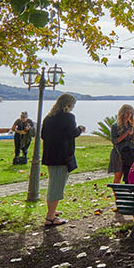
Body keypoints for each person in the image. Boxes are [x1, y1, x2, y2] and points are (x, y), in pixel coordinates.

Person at [41, 94, 85, 227]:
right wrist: (80, 130)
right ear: (68, 104)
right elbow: (72, 133)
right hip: (63, 156)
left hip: (50, 155)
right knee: (57, 187)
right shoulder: (68, 117)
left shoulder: (48, 117)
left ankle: (52, 211)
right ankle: (50, 217)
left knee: (53, 184)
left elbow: (43, 135)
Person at [108, 104, 134, 184]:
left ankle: (127, 195)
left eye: (131, 113)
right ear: (122, 113)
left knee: (129, 177)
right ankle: (117, 196)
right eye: (127, 113)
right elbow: (115, 141)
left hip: (129, 154)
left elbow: (131, 139)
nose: (129, 115)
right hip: (119, 154)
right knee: (118, 177)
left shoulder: (131, 126)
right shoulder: (115, 126)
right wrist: (126, 133)